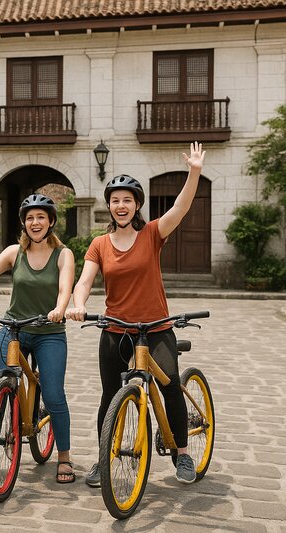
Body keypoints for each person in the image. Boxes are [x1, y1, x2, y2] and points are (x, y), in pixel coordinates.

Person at [65, 142, 206, 486]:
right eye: (115, 200)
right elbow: (84, 281)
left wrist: (194, 172)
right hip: (116, 329)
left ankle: (183, 453)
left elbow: (181, 207)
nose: (121, 205)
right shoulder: (99, 243)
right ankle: (104, 456)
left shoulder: (152, 233)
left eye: (127, 199)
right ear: (109, 206)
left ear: (137, 204)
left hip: (156, 327)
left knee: (170, 385)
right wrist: (78, 303)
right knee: (109, 395)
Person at [0, 194, 76, 483]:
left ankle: (63, 456)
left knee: (53, 395)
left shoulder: (63, 254)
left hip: (49, 333)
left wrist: (60, 309)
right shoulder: (14, 252)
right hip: (14, 329)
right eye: (30, 218)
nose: (35, 222)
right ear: (24, 224)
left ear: (51, 221)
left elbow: (65, 288)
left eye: (41, 217)